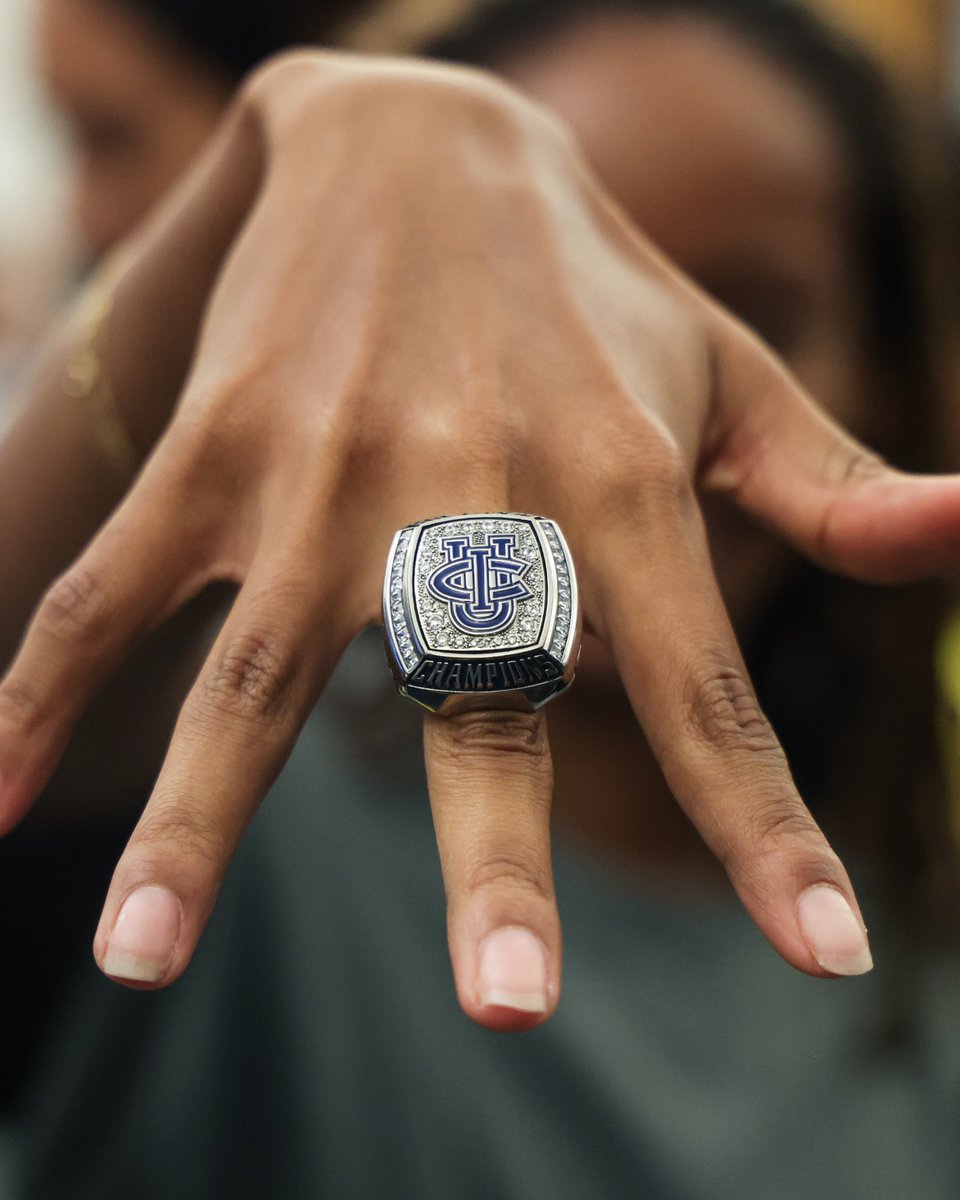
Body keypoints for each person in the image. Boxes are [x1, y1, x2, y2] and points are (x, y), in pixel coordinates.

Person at [3, 0, 960, 1194]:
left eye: (753, 317)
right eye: (525, 313)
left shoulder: (922, 889)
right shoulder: (220, 779)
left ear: (884, 363)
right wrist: (265, 169)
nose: (627, 424)